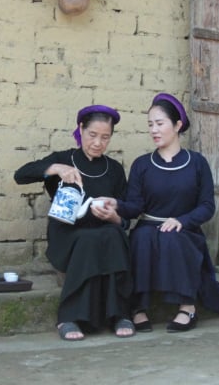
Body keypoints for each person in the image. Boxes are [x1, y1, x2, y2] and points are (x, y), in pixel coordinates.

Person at [114, 93, 219, 333]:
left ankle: (187, 307)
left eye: (160, 123)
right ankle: (138, 307)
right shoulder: (142, 164)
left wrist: (183, 220)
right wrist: (115, 205)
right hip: (149, 225)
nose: (154, 130)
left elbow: (207, 205)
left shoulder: (197, 163)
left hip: (184, 227)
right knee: (141, 238)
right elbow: (135, 206)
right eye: (150, 124)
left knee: (173, 238)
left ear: (178, 125)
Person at [14, 105, 135, 341]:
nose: (98, 142)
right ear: (81, 130)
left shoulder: (114, 169)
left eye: (105, 137)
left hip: (104, 233)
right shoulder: (63, 159)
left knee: (114, 235)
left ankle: (120, 314)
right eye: (92, 135)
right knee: (88, 240)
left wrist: (115, 217)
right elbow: (21, 175)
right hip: (67, 234)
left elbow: (126, 215)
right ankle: (68, 317)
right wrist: (56, 169)